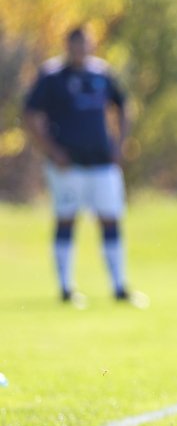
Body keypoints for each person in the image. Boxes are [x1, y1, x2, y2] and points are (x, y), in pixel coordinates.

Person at [23, 27, 135, 305]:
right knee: (67, 219)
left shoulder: (101, 73)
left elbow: (122, 106)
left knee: (110, 219)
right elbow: (31, 115)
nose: (80, 50)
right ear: (67, 45)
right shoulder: (52, 76)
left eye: (85, 44)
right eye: (75, 45)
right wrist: (51, 150)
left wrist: (120, 145)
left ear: (91, 45)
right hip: (67, 165)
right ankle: (65, 288)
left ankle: (119, 287)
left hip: (101, 162)